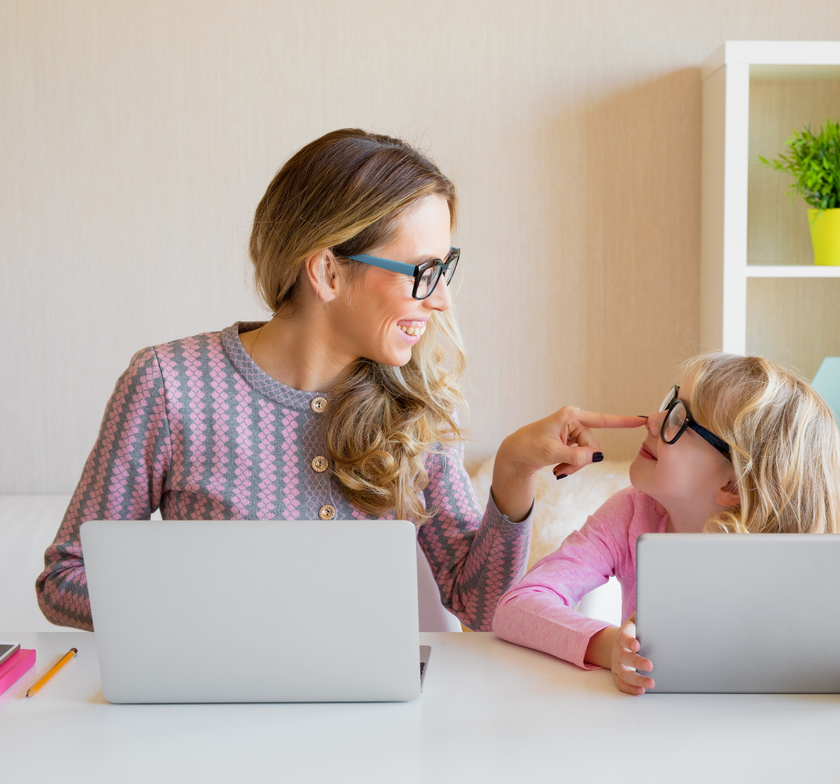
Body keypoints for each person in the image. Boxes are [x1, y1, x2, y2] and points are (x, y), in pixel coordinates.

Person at [36, 128, 642, 632]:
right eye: (424, 271)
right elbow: (66, 577)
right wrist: (206, 612)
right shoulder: (169, 386)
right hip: (213, 727)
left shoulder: (416, 406)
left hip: (375, 735)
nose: (443, 301)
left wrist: (512, 473)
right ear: (326, 270)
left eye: (446, 269)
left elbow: (480, 606)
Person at [494, 353, 840, 695]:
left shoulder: (807, 552)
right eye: (669, 403)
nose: (652, 420)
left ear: (733, 486)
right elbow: (517, 608)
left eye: (678, 420)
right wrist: (608, 649)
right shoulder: (632, 515)